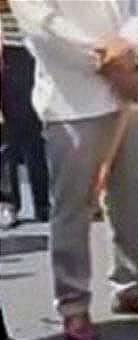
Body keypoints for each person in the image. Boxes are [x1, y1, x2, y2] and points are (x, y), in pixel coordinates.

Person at [11, 0, 138, 340]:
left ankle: (130, 285)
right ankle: (74, 303)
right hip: (74, 104)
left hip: (129, 95)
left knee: (130, 198)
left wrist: (135, 47)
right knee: (73, 208)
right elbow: (45, 27)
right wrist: (108, 61)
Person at [0, 0, 49, 228]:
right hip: (7, 48)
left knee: (34, 129)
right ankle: (9, 202)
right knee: (7, 133)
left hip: (32, 47)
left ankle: (43, 201)